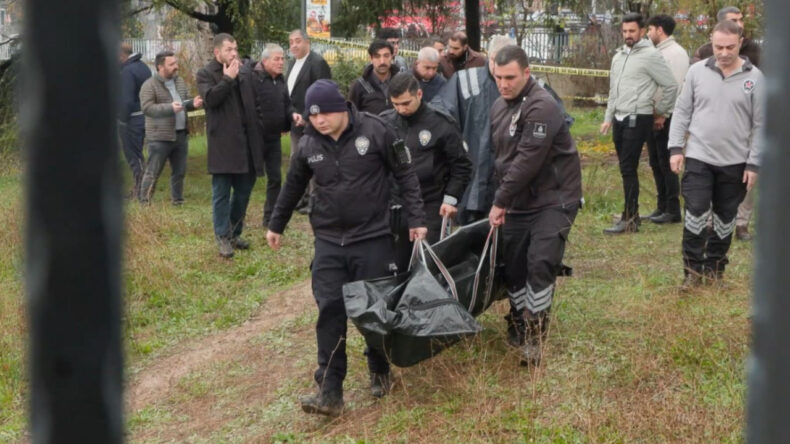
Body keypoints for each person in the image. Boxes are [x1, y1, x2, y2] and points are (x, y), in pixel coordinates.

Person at [266, 79, 426, 416]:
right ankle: (329, 391)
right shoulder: (309, 143)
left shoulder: (378, 131)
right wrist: (276, 224)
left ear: (341, 108)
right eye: (313, 116)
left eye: (324, 113)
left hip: (372, 238)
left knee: (373, 309)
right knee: (329, 311)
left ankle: (379, 368)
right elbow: (294, 184)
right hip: (328, 242)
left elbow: (406, 175)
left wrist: (416, 219)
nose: (319, 120)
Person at [489, 45, 582, 366]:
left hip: (554, 199)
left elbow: (528, 159)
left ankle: (534, 334)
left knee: (540, 263)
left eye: (510, 77)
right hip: (519, 201)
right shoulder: (499, 107)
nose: (503, 83)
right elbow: (499, 160)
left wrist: (500, 200)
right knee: (513, 267)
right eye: (498, 77)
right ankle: (518, 316)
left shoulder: (542, 106)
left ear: (527, 73)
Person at [668, 20, 763, 289]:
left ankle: (715, 269)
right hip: (699, 157)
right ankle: (692, 271)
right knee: (695, 212)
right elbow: (682, 111)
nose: (722, 53)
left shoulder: (755, 78)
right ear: (711, 41)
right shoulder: (697, 72)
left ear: (740, 43)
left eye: (729, 47)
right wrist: (676, 148)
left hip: (736, 162)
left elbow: (760, 125)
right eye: (717, 46)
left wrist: (754, 163)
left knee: (724, 218)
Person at [381, 73, 473, 270]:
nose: (401, 109)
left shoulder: (441, 123)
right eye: (395, 104)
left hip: (430, 205)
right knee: (394, 265)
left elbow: (462, 166)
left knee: (429, 266)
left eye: (406, 103)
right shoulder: (385, 122)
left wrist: (451, 199)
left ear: (419, 94)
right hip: (395, 204)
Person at [599, 13, 678, 234]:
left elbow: (671, 85)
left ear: (642, 31)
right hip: (619, 118)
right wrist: (608, 118)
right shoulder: (619, 56)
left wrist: (661, 111)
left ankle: (630, 218)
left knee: (627, 167)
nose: (628, 35)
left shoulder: (651, 55)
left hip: (639, 116)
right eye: (624, 31)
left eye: (632, 31)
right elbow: (613, 90)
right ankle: (630, 215)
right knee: (626, 169)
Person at [693, 6, 762, 241]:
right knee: (710, 177)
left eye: (741, 20)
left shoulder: (755, 51)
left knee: (747, 175)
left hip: (747, 122)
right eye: (734, 20)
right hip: (711, 127)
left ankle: (742, 223)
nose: (740, 23)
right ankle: (713, 222)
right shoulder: (703, 53)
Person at [431, 35, 515, 224]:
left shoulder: (527, 85)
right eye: (496, 60)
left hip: (511, 178)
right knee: (471, 236)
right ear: (488, 56)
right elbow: (439, 114)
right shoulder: (465, 80)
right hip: (473, 174)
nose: (500, 68)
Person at [197, 33, 265, 258]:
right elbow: (210, 100)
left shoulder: (244, 72)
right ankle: (223, 237)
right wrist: (227, 79)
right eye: (229, 50)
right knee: (221, 194)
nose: (234, 53)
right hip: (223, 145)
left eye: (235, 49)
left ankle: (235, 233)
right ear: (217, 52)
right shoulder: (206, 73)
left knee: (244, 192)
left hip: (246, 143)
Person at [138, 51, 202, 204]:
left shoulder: (179, 82)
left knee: (179, 172)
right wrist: (169, 108)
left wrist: (193, 103)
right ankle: (144, 202)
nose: (176, 67)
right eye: (171, 64)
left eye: (176, 63)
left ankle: (178, 201)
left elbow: (184, 102)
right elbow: (147, 108)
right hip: (160, 137)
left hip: (180, 135)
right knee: (153, 172)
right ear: (160, 67)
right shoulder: (149, 85)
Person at [249, 44, 303, 228]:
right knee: (247, 179)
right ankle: (237, 217)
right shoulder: (253, 79)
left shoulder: (280, 81)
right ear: (265, 61)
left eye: (282, 59)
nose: (281, 63)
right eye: (277, 59)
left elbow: (287, 104)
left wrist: (292, 115)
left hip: (273, 139)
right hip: (254, 139)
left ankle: (270, 218)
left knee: (276, 179)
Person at [644, 14, 689, 224]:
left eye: (650, 29)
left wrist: (663, 113)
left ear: (659, 30)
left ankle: (673, 209)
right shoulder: (657, 51)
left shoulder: (676, 54)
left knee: (666, 163)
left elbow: (675, 86)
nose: (647, 33)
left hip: (667, 116)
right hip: (654, 115)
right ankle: (662, 206)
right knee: (655, 161)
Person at [286, 29, 332, 215]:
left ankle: (315, 200)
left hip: (312, 122)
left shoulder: (317, 63)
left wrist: (307, 117)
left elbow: (323, 92)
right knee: (297, 160)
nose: (294, 45)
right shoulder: (291, 63)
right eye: (291, 42)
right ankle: (300, 197)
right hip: (295, 122)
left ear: (307, 42)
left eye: (298, 41)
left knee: (314, 159)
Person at [119, 43, 152, 199]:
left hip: (132, 119)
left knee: (133, 156)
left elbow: (126, 100)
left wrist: (122, 119)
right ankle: (140, 188)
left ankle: (140, 191)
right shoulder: (143, 67)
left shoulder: (127, 71)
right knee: (139, 155)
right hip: (144, 116)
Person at [348, 40, 400, 115]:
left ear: (392, 57)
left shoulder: (402, 81)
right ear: (371, 58)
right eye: (377, 56)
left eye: (386, 56)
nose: (382, 61)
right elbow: (351, 116)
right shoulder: (359, 86)